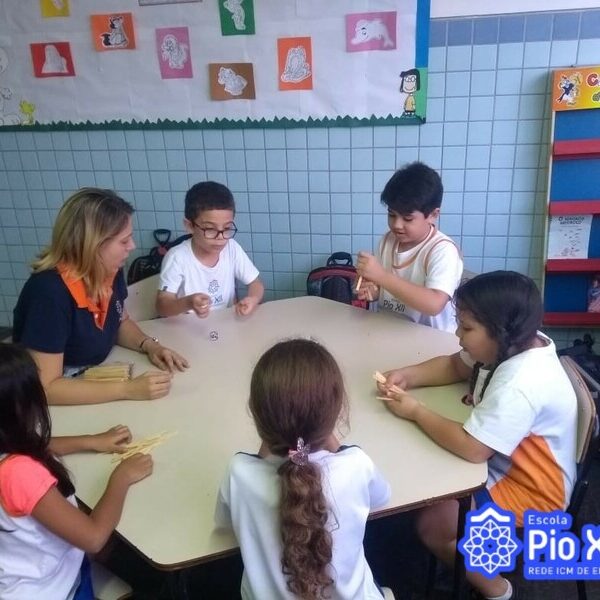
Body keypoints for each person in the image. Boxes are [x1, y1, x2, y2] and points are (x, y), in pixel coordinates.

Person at [376, 271, 577, 600]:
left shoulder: (521, 382)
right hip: (503, 463)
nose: (457, 335)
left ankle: (497, 589)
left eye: (466, 328)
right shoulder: (511, 343)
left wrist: (416, 411)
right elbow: (456, 366)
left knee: (433, 525)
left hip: (533, 494)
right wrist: (407, 376)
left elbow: (472, 448)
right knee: (427, 471)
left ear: (500, 330)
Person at [215, 338, 392, 600]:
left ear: (254, 411)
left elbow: (223, 524)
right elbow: (382, 498)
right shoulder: (356, 464)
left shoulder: (239, 472)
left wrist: (275, 438)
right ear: (337, 412)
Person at [0, 343, 153, 599]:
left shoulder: (8, 443)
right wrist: (121, 478)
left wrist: (91, 441)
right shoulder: (18, 475)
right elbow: (94, 538)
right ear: (20, 408)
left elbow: (37, 446)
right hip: (55, 589)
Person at [12, 187, 188, 405]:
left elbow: (120, 322)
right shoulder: (48, 293)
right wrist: (128, 389)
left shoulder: (109, 268)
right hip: (57, 400)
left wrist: (150, 345)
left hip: (94, 373)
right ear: (93, 245)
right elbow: (46, 388)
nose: (132, 246)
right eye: (124, 241)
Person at [355, 162, 463, 333]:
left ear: (433, 215)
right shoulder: (387, 241)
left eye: (407, 218)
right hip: (389, 330)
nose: (397, 225)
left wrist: (381, 276)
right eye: (391, 215)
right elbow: (384, 289)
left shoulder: (442, 250)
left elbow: (434, 304)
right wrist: (373, 291)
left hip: (432, 338)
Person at [157, 181, 264, 318]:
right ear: (189, 226)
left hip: (226, 322)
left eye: (227, 228)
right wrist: (188, 302)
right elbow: (162, 306)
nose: (220, 237)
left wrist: (253, 299)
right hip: (188, 326)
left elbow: (256, 283)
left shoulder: (231, 248)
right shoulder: (177, 257)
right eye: (210, 229)